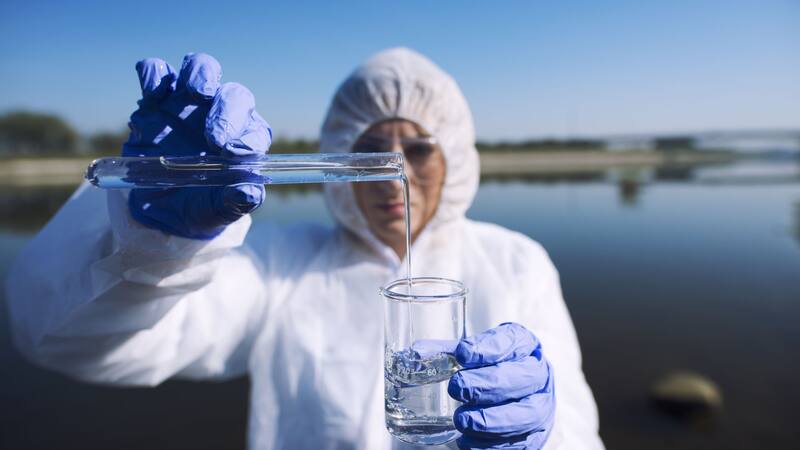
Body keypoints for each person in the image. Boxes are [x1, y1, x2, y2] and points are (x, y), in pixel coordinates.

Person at [5, 48, 604, 449]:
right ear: (342, 160)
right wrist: (153, 242)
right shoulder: (282, 265)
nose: (392, 173)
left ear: (455, 158)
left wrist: (543, 437)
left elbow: (579, 432)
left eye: (420, 149)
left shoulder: (515, 263)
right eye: (371, 149)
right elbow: (68, 341)